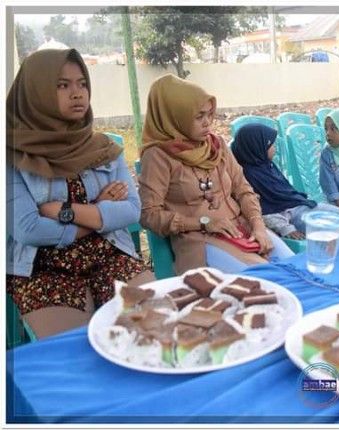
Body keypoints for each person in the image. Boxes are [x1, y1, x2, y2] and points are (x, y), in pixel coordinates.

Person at [6, 49, 153, 339]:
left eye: (82, 83)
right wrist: (98, 210)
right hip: (43, 268)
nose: (77, 94)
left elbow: (132, 209)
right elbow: (28, 229)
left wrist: (66, 210)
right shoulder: (12, 155)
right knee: (78, 353)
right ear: (35, 93)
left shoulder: (101, 148)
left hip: (110, 253)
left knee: (153, 330)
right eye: (62, 85)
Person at [138, 74, 293, 275]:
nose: (207, 123)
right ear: (175, 117)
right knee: (267, 278)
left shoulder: (215, 145)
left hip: (241, 228)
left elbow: (244, 190)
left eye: (210, 114)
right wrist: (204, 222)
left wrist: (258, 225)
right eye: (199, 116)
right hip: (200, 239)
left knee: (294, 265)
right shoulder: (158, 156)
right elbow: (149, 215)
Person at [231, 123, 339, 239]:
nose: (274, 148)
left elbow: (286, 194)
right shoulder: (250, 177)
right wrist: (286, 228)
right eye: (270, 145)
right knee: (334, 227)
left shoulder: (265, 166)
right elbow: (263, 211)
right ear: (256, 147)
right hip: (288, 217)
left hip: (298, 206)